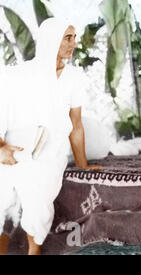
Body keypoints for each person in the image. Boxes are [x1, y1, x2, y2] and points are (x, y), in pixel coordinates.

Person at [0, 18, 100, 255]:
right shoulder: (16, 75)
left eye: (74, 38)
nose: (74, 44)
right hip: (12, 147)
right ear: (50, 40)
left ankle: (34, 251)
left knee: (39, 199)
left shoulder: (74, 78)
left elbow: (75, 126)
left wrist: (83, 165)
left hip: (50, 150)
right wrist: (1, 147)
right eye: (68, 38)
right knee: (2, 195)